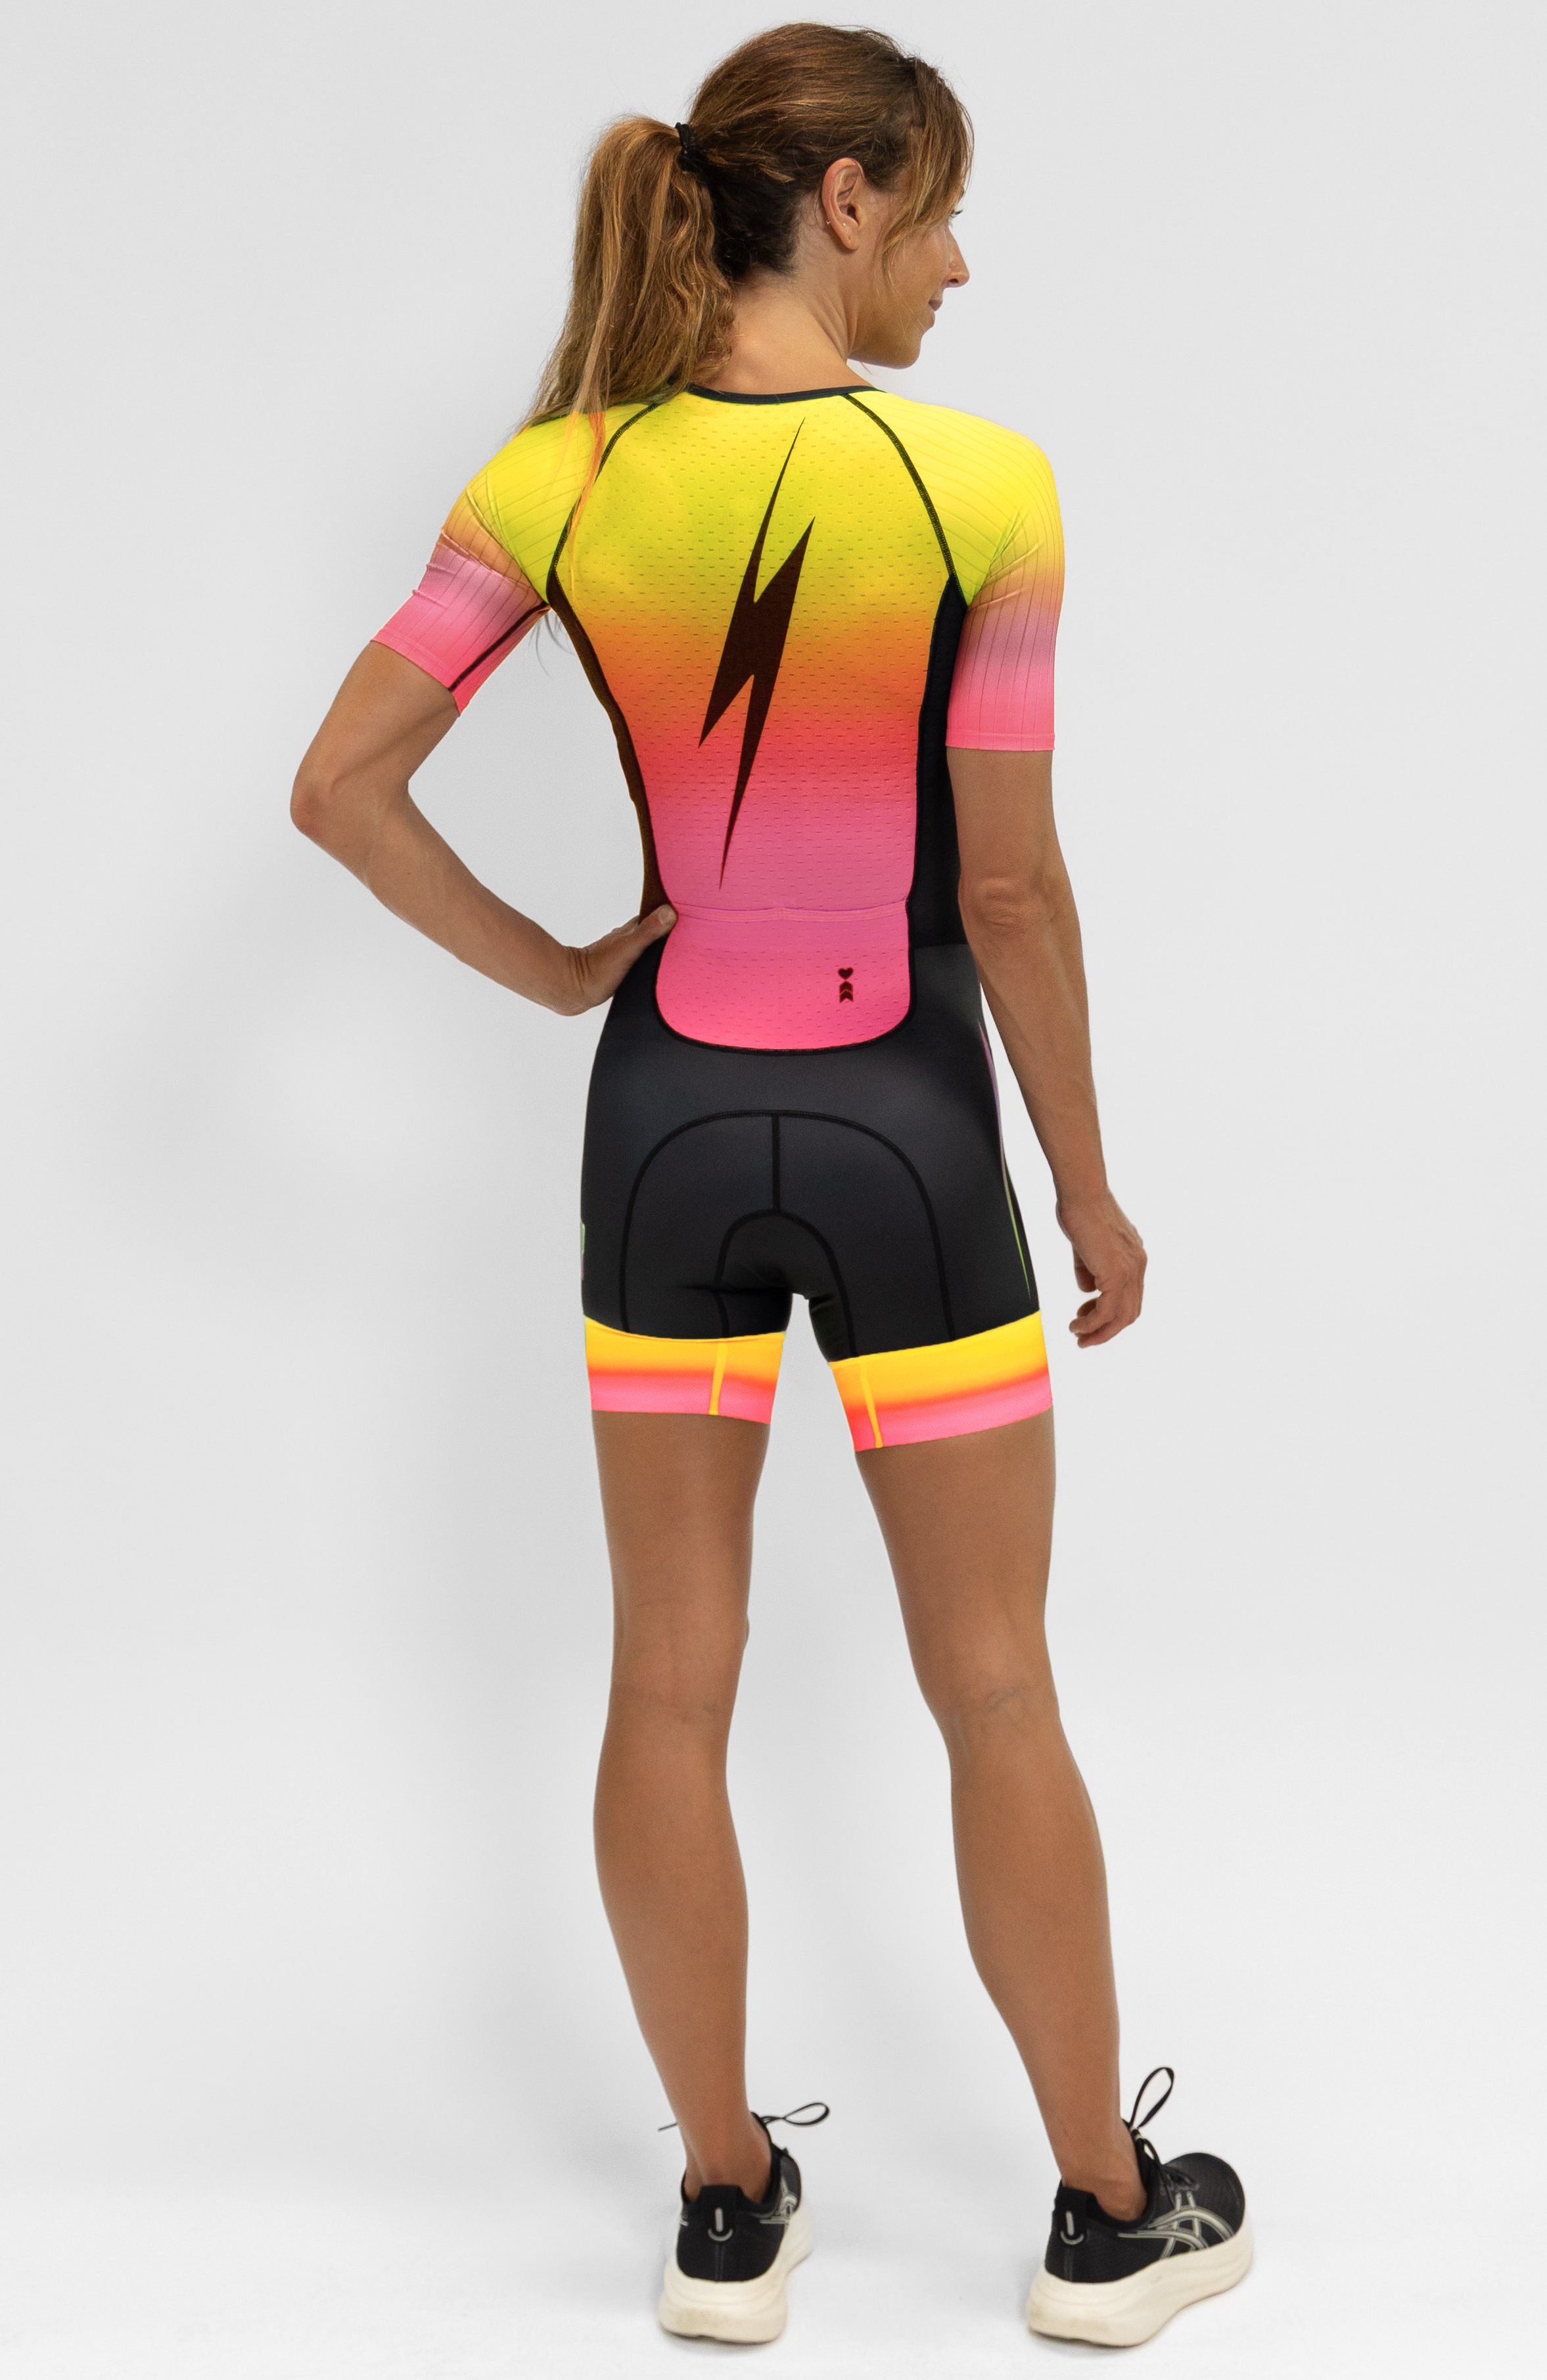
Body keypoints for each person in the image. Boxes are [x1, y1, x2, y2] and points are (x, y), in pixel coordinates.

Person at [291, 22, 1249, 2350]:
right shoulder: (983, 490)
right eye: (937, 214)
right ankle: (1105, 2213)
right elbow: (1006, 893)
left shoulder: (556, 481)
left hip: (665, 1129)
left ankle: (726, 2205)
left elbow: (341, 785)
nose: (954, 266)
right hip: (910, 1128)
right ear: (843, 201)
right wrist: (1090, 1184)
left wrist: (560, 972)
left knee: (666, 1683)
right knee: (995, 1683)